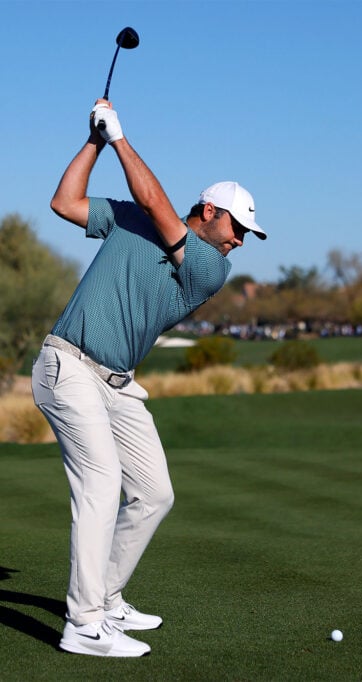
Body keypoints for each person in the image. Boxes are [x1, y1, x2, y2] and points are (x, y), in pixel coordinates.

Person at [33, 100, 267, 657]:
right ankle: (84, 623)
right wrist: (95, 141)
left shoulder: (210, 268)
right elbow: (64, 202)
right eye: (237, 227)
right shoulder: (130, 218)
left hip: (119, 385)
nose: (239, 241)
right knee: (100, 483)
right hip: (69, 366)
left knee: (155, 493)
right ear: (209, 211)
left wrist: (119, 137)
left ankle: (106, 598)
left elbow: (156, 204)